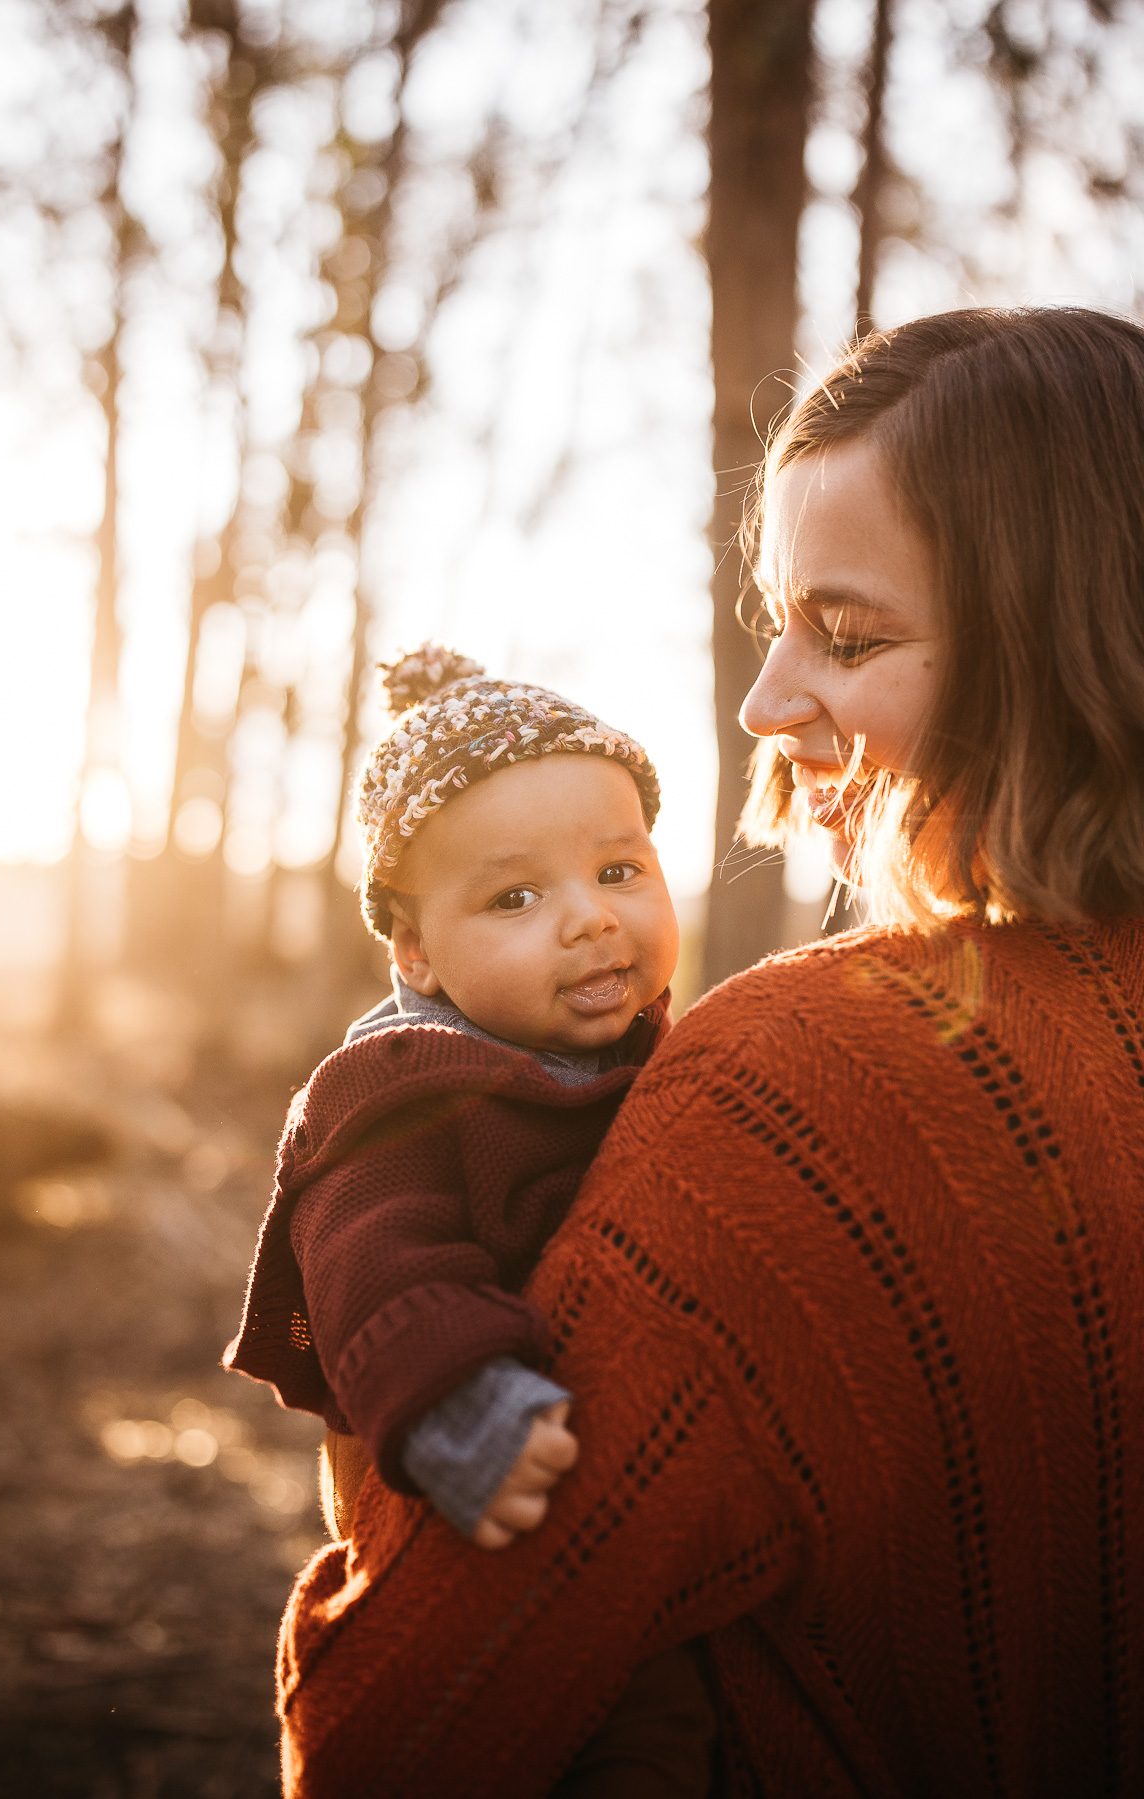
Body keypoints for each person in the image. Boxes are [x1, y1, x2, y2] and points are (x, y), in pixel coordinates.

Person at [272, 306, 1144, 1799]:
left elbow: (403, 1730)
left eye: (849, 636)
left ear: (1063, 646)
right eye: (776, 623)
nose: (765, 702)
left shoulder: (794, 1083)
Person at [226, 648, 718, 1791]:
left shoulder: (672, 1056)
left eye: (618, 867)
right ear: (414, 951)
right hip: (469, 1473)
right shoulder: (399, 1085)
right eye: (515, 896)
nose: (591, 919)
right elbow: (371, 1256)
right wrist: (460, 1402)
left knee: (669, 1735)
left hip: (646, 1517)